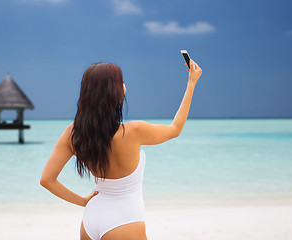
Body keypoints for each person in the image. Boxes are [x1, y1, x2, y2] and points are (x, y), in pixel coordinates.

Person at [40, 59, 202, 240]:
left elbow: (47, 180)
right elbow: (175, 129)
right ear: (115, 93)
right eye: (121, 82)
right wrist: (191, 83)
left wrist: (84, 202)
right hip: (124, 221)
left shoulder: (73, 133)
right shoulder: (134, 131)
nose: (124, 85)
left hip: (91, 219)